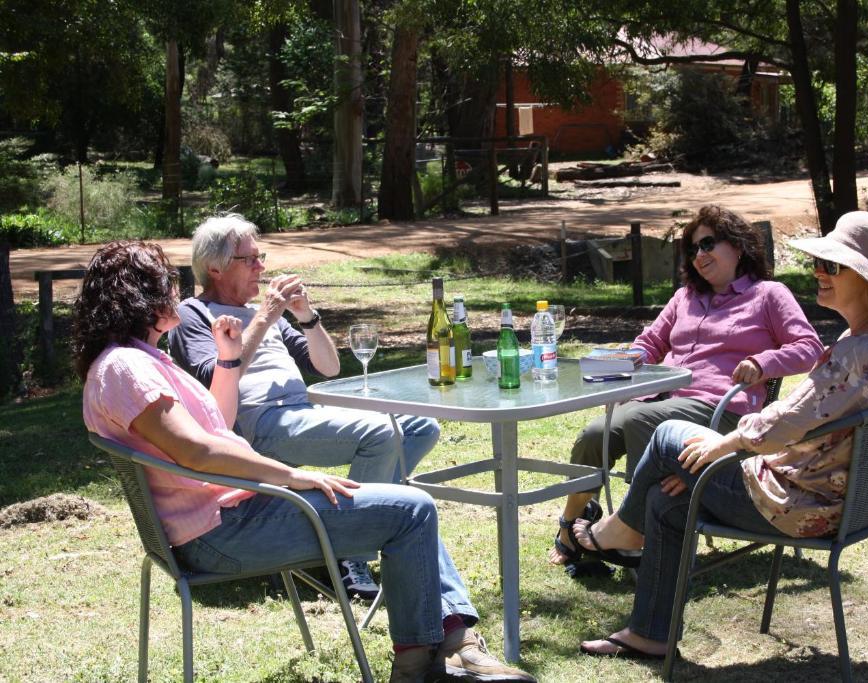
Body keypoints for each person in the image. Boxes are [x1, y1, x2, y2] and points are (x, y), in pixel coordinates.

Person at [75, 241, 534, 683]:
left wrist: (230, 360)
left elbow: (219, 422)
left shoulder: (138, 360)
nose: (175, 290)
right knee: (411, 511)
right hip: (222, 531)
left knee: (404, 504)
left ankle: (447, 648)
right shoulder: (125, 367)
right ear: (140, 297)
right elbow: (197, 450)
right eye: (164, 283)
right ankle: (432, 661)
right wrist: (292, 476)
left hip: (225, 517)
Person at [573, 211, 868, 658]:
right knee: (667, 500)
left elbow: (784, 424)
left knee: (666, 435)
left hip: (797, 504)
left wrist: (726, 444)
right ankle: (652, 634)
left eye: (832, 266)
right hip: (845, 501)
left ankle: (619, 531)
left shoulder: (860, 353)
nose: (819, 272)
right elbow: (809, 421)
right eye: (821, 263)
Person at [168, 214, 440, 599]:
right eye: (250, 259)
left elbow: (327, 368)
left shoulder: (270, 316)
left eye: (262, 257)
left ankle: (348, 529)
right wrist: (265, 316)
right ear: (215, 267)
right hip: (256, 424)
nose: (261, 268)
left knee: (420, 426)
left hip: (301, 413)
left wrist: (306, 317)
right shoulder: (192, 315)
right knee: (381, 434)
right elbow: (213, 374)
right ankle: (347, 555)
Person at [550, 205, 823, 566]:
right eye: (693, 249)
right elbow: (649, 344)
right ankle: (571, 525)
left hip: (721, 411)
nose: (700, 255)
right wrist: (616, 362)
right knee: (594, 433)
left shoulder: (769, 295)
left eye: (708, 244)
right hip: (666, 400)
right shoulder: (685, 298)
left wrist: (762, 362)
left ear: (737, 246)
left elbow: (810, 348)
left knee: (638, 422)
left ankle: (635, 531)